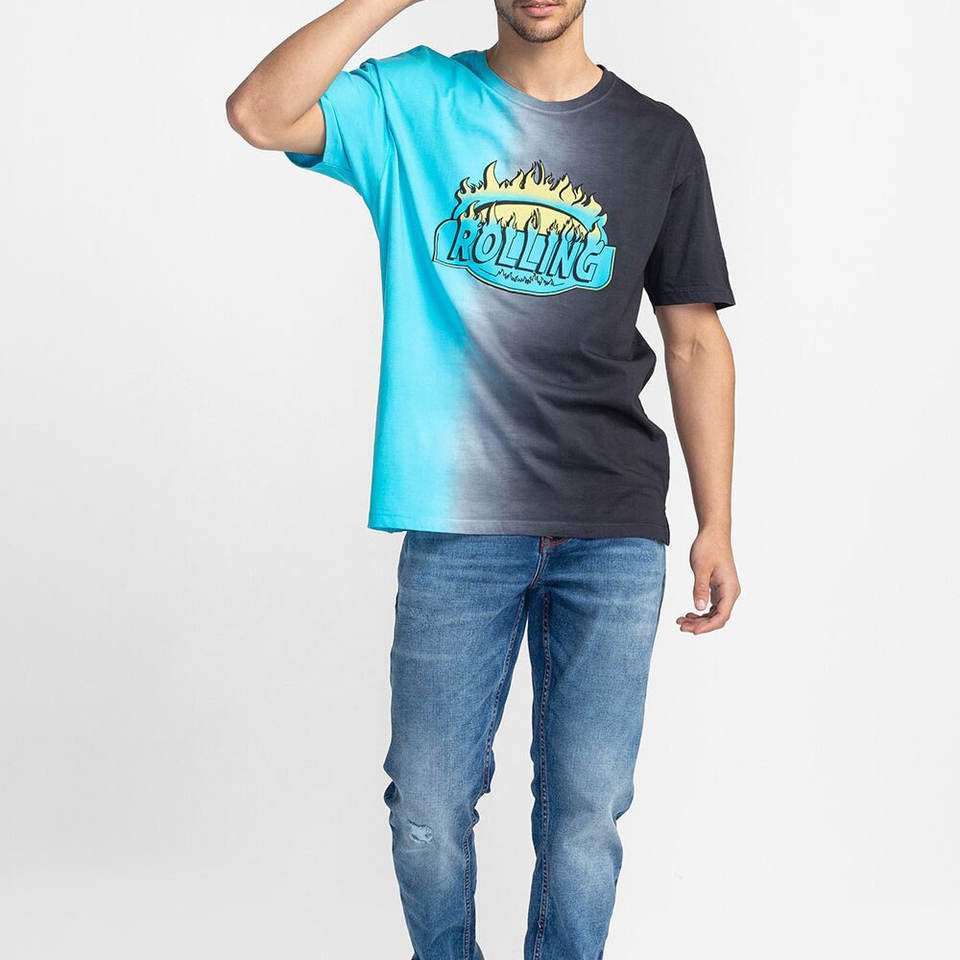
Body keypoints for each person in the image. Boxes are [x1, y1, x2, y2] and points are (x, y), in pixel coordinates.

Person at [227, 1, 741, 957]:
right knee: (426, 809)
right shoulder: (414, 102)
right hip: (459, 519)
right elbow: (260, 113)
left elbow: (695, 340)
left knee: (585, 818)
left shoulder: (657, 138)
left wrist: (717, 521)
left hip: (613, 523)